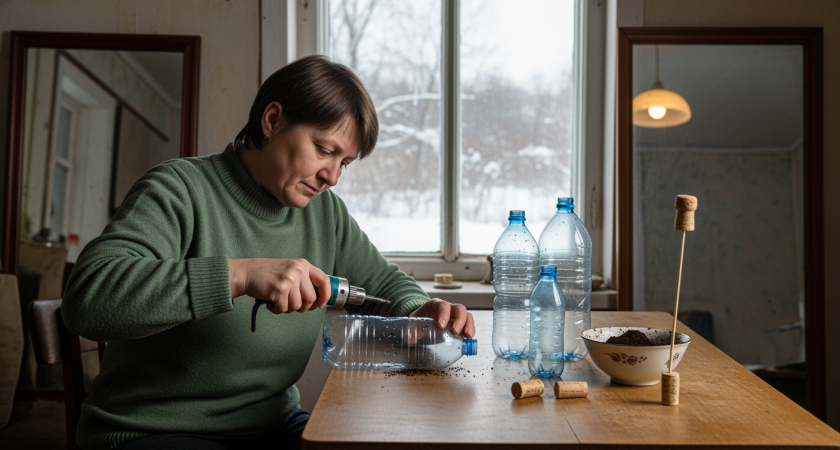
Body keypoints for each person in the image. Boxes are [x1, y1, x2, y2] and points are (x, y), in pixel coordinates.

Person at [62, 55, 475, 450]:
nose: (332, 176)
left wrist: (420, 309)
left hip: (270, 426)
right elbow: (87, 300)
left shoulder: (324, 213)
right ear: (272, 120)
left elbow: (384, 283)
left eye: (344, 162)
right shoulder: (179, 190)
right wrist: (238, 275)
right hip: (151, 431)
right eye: (324, 150)